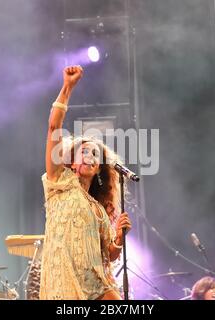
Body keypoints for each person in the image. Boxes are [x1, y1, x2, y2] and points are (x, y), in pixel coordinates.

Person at [39, 65, 132, 300]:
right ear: (71, 161)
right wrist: (67, 88)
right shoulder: (59, 182)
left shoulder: (98, 210)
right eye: (85, 151)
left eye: (95, 155)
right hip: (63, 281)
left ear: (99, 168)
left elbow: (109, 254)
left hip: (95, 280)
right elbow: (53, 128)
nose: (91, 156)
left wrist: (119, 239)